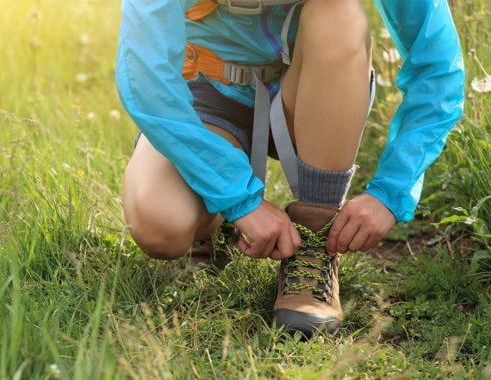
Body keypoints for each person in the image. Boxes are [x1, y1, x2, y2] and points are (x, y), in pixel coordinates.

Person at [115, 0, 465, 339]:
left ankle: (314, 242)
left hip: (314, 88)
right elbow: (145, 76)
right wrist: (238, 199)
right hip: (204, 92)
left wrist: (392, 191)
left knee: (340, 14)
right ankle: (210, 216)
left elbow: (437, 68)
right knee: (159, 223)